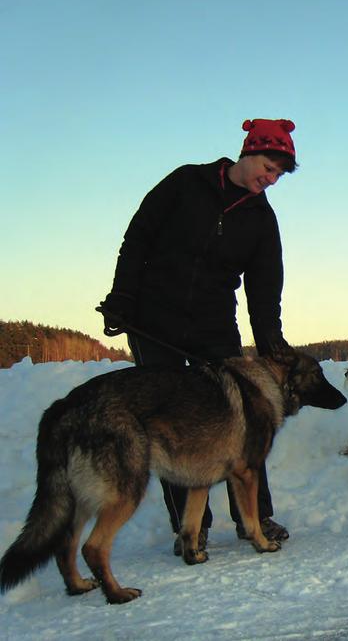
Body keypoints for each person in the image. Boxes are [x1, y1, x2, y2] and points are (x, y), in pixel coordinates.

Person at [100, 118, 300, 553]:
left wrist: (271, 344)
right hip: (155, 319)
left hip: (213, 324)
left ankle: (257, 514)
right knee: (172, 421)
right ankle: (191, 527)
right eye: (269, 166)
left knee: (245, 414)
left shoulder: (262, 217)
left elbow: (265, 287)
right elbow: (138, 238)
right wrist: (122, 297)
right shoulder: (186, 182)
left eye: (280, 174)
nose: (272, 179)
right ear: (248, 153)